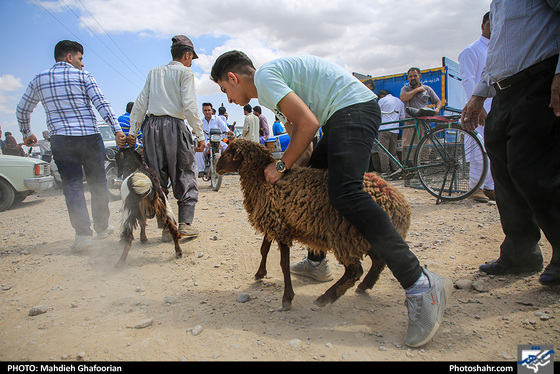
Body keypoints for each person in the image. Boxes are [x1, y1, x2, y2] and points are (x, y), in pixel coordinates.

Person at [211, 51, 452, 347]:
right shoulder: (272, 90)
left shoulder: (264, 78)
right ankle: (316, 261)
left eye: (225, 89)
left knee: (345, 193)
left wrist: (281, 166)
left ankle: (420, 284)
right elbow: (305, 137)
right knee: (313, 187)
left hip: (353, 111)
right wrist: (296, 172)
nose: (230, 98)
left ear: (234, 78)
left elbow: (309, 125)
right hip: (340, 116)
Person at [462, 0, 560, 286]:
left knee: (532, 169)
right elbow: (498, 51)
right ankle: (520, 252)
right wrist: (479, 94)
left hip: (538, 81)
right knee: (503, 170)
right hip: (502, 91)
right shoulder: (498, 3)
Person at [16, 40, 126, 251]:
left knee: (73, 185)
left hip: (61, 140)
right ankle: (102, 228)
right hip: (89, 137)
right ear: (69, 57)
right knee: (98, 183)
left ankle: (83, 235)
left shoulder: (39, 79)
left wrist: (27, 133)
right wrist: (117, 129)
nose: (82, 63)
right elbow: (101, 104)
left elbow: (22, 109)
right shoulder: (84, 76)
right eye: (80, 58)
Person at [128, 35, 205, 240]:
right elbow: (189, 104)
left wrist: (132, 132)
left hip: (151, 128)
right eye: (191, 58)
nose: (191, 62)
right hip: (176, 126)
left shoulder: (154, 73)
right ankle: (185, 224)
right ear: (187, 55)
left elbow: (140, 103)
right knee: (184, 173)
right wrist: (199, 134)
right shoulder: (185, 73)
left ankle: (165, 227)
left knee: (157, 177)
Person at [458, 11, 495, 203]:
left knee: (492, 148)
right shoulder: (471, 51)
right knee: (477, 148)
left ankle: (489, 187)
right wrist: (477, 107)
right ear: (482, 26)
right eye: (490, 24)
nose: (494, 28)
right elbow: (468, 80)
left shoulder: (497, 49)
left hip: (495, 107)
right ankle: (475, 187)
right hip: (478, 107)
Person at [400, 67, 442, 158]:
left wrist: (437, 109)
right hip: (410, 123)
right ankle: (411, 170)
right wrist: (417, 90)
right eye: (410, 76)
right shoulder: (405, 89)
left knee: (425, 149)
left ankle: (422, 170)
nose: (412, 78)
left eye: (415, 76)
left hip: (424, 123)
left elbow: (438, 101)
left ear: (420, 76)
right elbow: (403, 98)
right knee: (409, 150)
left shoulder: (427, 89)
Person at [377, 89, 405, 178]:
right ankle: (397, 170)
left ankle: (386, 172)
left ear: (381, 95)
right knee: (393, 152)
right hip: (395, 130)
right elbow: (402, 117)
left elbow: (376, 114)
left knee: (383, 151)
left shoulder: (382, 101)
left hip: (383, 129)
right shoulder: (399, 102)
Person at [196, 102, 230, 174]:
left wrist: (228, 132)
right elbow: (196, 130)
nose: (207, 112)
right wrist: (194, 131)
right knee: (199, 152)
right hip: (206, 142)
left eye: (209, 110)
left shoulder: (217, 119)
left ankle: (227, 167)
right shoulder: (201, 122)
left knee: (227, 148)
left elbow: (225, 128)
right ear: (203, 111)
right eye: (205, 110)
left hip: (217, 141)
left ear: (212, 110)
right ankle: (201, 170)